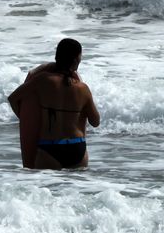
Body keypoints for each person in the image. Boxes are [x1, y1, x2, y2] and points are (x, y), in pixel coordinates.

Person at [8, 38, 100, 170]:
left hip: (49, 147)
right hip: (77, 147)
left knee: (49, 189)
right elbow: (95, 122)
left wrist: (27, 120)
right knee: (77, 190)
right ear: (75, 60)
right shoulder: (83, 89)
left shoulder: (43, 80)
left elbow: (13, 98)